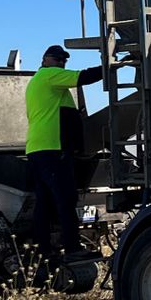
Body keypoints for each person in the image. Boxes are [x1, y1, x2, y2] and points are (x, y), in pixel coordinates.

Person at [24, 45, 103, 256]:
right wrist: (110, 67)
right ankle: (72, 248)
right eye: (58, 59)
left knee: (45, 202)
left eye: (64, 61)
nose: (61, 63)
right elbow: (83, 77)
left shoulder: (41, 83)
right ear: (45, 60)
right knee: (66, 198)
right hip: (52, 148)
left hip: (38, 149)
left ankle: (44, 250)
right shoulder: (50, 76)